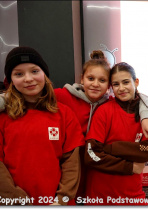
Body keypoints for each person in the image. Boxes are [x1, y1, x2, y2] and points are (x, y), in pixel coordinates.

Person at [0, 46, 85, 205]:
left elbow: (71, 163)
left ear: (44, 74)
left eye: (34, 71)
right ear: (10, 80)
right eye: (19, 74)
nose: (28, 78)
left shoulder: (64, 114)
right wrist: (17, 200)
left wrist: (62, 199)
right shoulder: (3, 117)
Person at [84, 62, 148, 205]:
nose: (121, 88)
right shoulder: (104, 110)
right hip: (100, 197)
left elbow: (145, 153)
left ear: (136, 82)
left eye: (126, 82)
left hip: (133, 196)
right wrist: (129, 166)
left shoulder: (147, 117)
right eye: (116, 84)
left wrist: (108, 149)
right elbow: (91, 154)